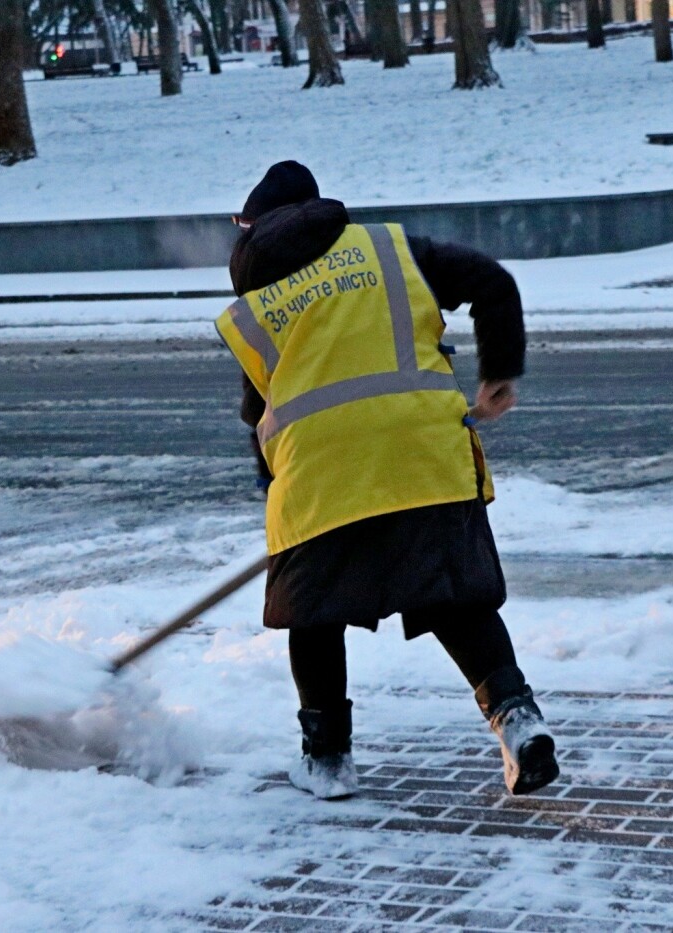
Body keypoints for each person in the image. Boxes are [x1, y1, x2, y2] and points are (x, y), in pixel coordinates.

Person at [215, 161, 558, 799]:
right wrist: (499, 371)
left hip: (319, 474)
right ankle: (517, 719)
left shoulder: (255, 304)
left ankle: (328, 762)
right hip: (423, 455)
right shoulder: (392, 250)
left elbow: (257, 411)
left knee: (312, 615)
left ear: (252, 229)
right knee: (454, 597)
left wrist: (280, 494)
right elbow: (491, 281)